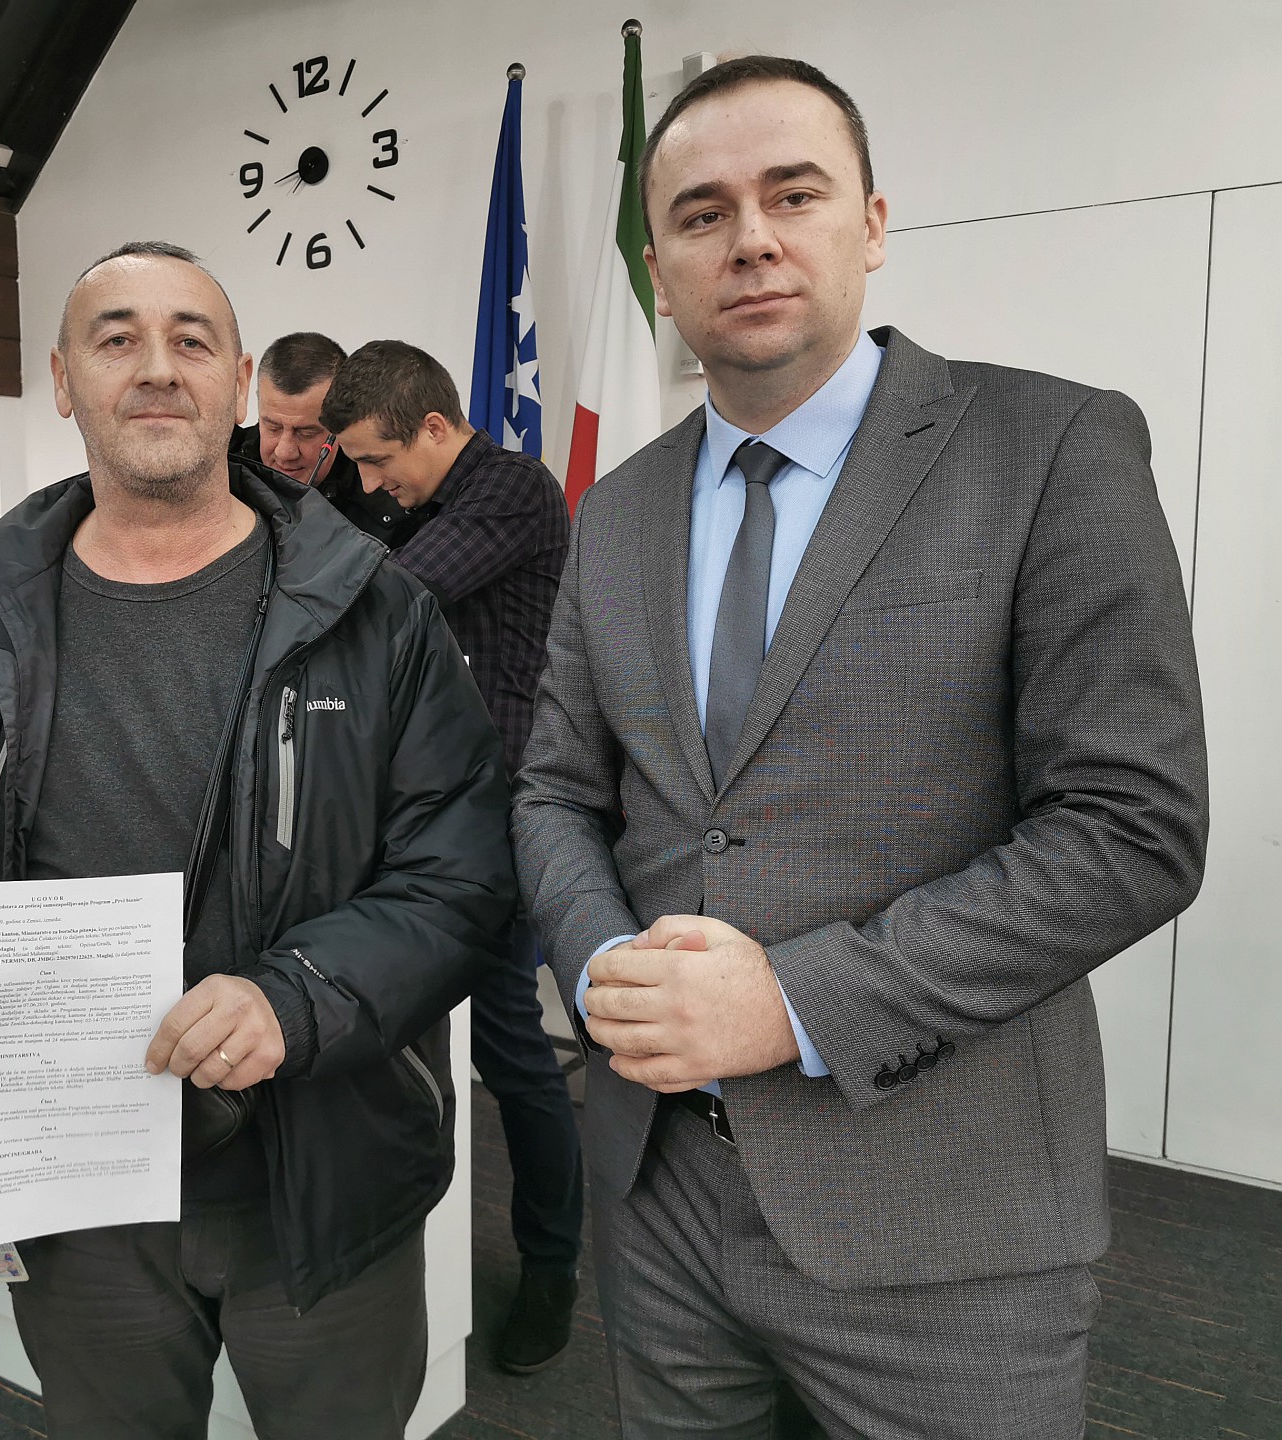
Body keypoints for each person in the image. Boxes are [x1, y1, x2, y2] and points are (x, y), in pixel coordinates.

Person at [513, 55, 1208, 1437]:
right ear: (658, 274)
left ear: (872, 224)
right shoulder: (618, 510)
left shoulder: (1050, 447)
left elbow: (1131, 828)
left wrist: (797, 1003)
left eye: (794, 194)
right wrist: (602, 969)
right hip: (660, 1194)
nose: (751, 238)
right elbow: (556, 789)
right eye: (702, 213)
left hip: (942, 1219)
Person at [0, 241, 513, 1439]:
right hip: (76, 1194)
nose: (156, 367)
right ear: (62, 379)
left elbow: (463, 875)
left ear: (238, 384)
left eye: (191, 340)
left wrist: (296, 999)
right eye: (116, 338)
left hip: (323, 1183)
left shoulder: (376, 608)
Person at [324, 341, 584, 1374]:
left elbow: (385, 594)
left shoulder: (512, 491)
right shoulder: (424, 499)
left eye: (377, 460)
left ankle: (553, 1267)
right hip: (431, 816)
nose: (368, 483)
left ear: (435, 427)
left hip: (505, 815)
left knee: (513, 1050)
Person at [228, 330, 419, 547]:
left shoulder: (386, 500)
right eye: (273, 427)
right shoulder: (222, 468)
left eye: (306, 433)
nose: (285, 452)